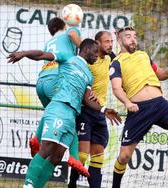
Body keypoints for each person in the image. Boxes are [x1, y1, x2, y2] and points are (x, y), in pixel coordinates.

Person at [22, 39, 121, 188]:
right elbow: (42, 55)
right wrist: (23, 54)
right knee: (47, 148)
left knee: (56, 157)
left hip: (72, 116)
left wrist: (103, 109)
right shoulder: (68, 57)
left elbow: (87, 99)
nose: (96, 56)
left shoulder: (89, 75)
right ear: (86, 50)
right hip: (59, 107)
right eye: (95, 53)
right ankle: (28, 185)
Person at [109, 26, 168, 188]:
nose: (133, 39)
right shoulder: (116, 63)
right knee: (124, 157)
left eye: (134, 36)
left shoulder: (144, 56)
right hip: (139, 109)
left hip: (159, 104)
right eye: (128, 36)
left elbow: (159, 75)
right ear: (119, 39)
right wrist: (128, 103)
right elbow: (116, 88)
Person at [7, 17, 89, 176]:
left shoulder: (50, 42)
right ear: (64, 26)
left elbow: (42, 55)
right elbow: (73, 35)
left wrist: (23, 53)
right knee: (70, 112)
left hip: (41, 83)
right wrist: (85, 48)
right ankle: (74, 156)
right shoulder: (69, 33)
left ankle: (36, 138)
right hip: (56, 81)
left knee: (52, 112)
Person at [68, 31, 119, 188]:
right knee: (82, 155)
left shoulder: (110, 58)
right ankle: (72, 184)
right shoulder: (89, 60)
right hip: (85, 110)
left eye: (111, 41)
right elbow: (74, 37)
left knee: (98, 157)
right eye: (106, 41)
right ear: (97, 43)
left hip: (100, 112)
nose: (110, 44)